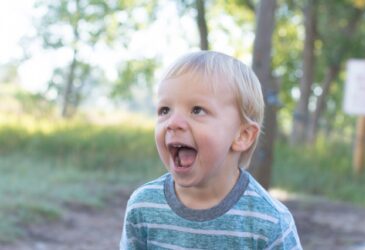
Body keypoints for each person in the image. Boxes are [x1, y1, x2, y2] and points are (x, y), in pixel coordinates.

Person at [120, 51, 302, 250]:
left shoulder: (270, 222)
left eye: (197, 110)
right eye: (165, 110)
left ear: (242, 136)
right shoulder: (144, 207)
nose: (173, 123)